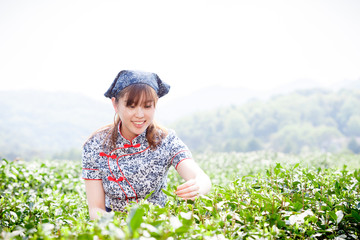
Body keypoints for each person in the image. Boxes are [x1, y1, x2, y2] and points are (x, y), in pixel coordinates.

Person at [82, 70, 211, 220]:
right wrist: (119, 230)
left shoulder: (166, 140)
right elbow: (96, 209)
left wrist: (197, 187)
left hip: (157, 225)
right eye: (131, 106)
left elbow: (201, 177)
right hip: (113, 228)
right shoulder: (95, 145)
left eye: (147, 106)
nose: (140, 114)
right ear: (115, 104)